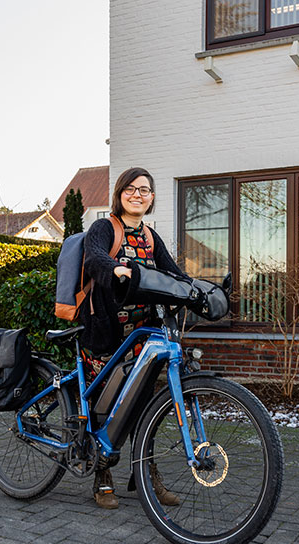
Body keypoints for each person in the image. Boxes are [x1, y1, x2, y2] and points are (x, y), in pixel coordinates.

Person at [78, 167, 185, 510]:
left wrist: (196, 290)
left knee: (142, 409)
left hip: (142, 338)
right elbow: (95, 258)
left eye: (145, 190)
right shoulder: (104, 227)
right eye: (131, 189)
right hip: (106, 335)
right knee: (104, 409)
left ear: (152, 198)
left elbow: (173, 273)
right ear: (120, 193)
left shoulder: (151, 237)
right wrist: (116, 268)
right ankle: (101, 475)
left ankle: (144, 476)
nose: (138, 194)